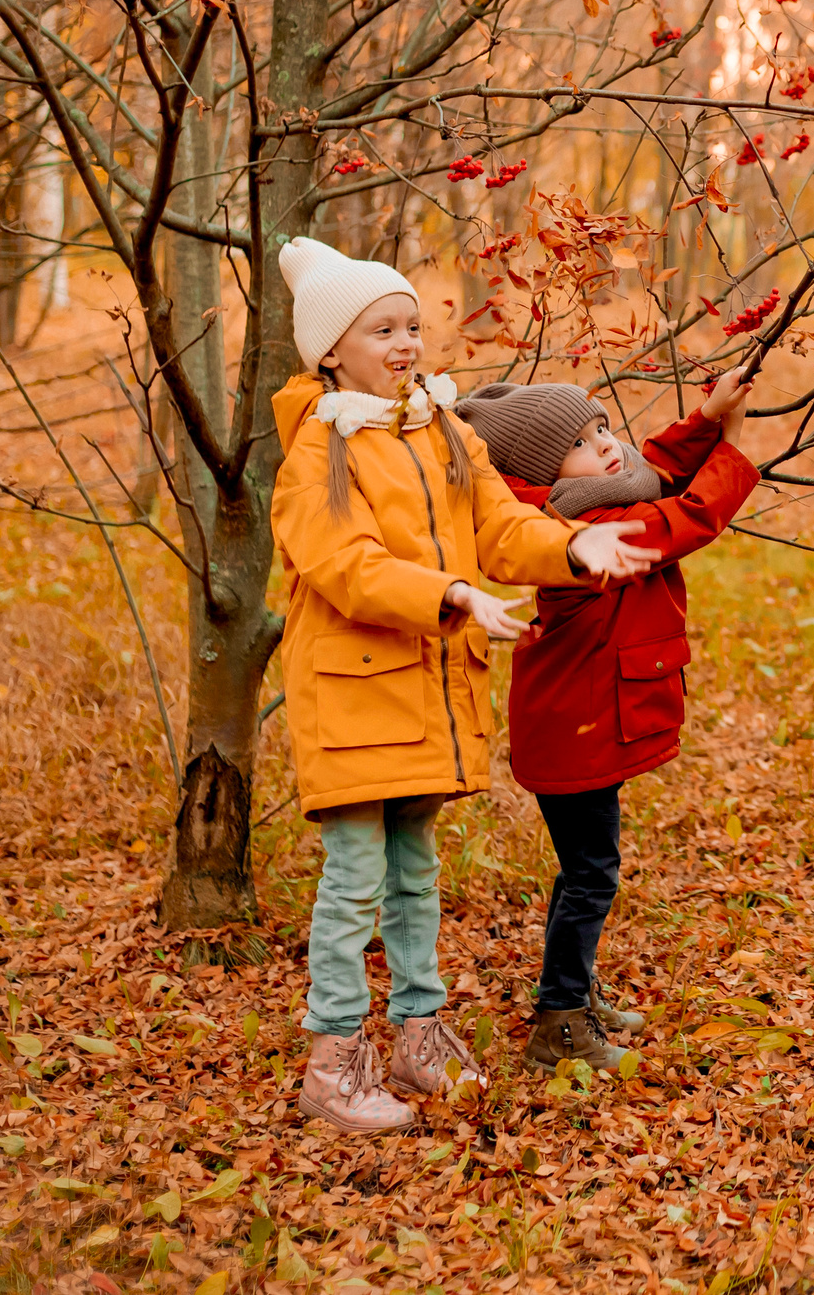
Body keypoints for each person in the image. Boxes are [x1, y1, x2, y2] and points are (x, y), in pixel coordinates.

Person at [269, 237, 659, 1133]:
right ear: (332, 348)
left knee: (415, 874)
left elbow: (496, 524)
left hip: (424, 691)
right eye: (381, 329)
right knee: (354, 880)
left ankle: (418, 1033)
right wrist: (448, 594)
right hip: (355, 692)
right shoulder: (319, 448)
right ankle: (332, 1061)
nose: (406, 342)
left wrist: (569, 545)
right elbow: (344, 565)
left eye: (411, 324)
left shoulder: (440, 429)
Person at [453, 371, 758, 1073]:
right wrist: (731, 447)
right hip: (575, 729)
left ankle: (575, 993)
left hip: (573, 723)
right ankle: (558, 1023)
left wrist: (705, 416)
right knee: (592, 875)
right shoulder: (581, 531)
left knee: (582, 870)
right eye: (584, 444)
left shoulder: (578, 501)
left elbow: (650, 472)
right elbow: (682, 519)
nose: (607, 446)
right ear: (543, 471)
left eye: (600, 428)